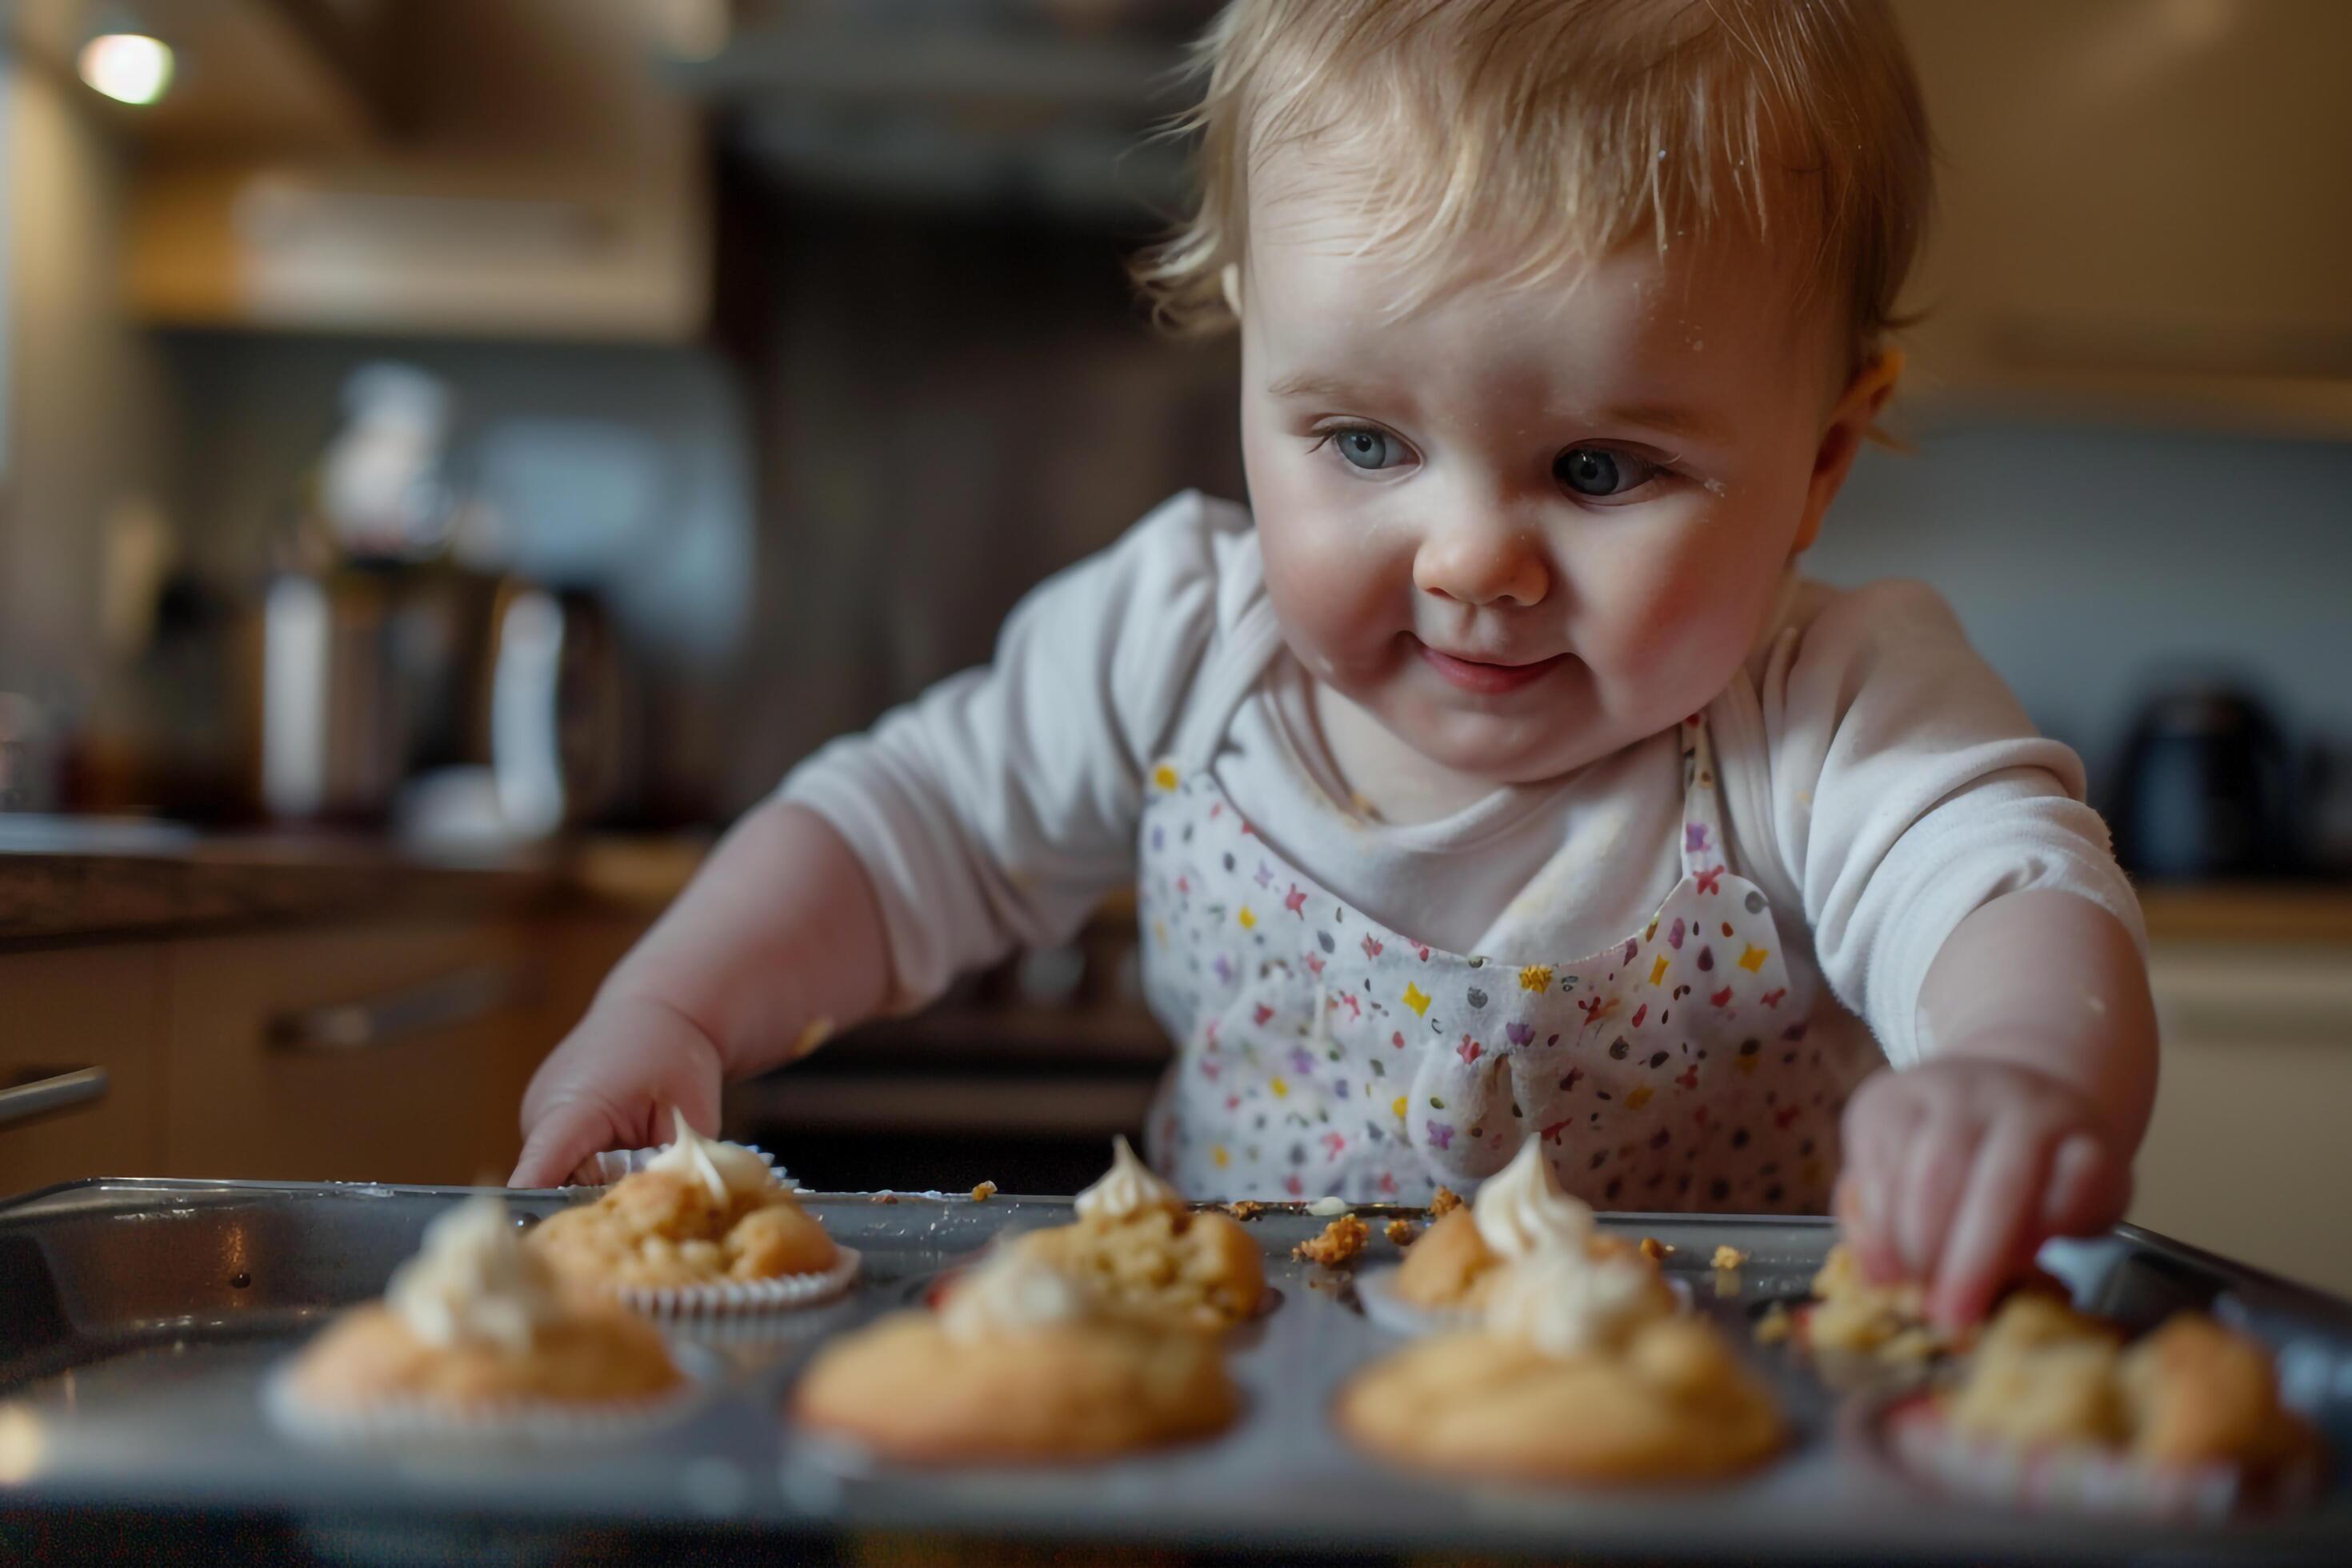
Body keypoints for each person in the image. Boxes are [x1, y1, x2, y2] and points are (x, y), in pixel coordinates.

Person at [514, 0, 2157, 1330]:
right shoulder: (1176, 642)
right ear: (1251, 352)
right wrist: (674, 1003)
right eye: (1366, 438)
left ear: (1821, 460)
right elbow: (897, 831)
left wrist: (2016, 1069)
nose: (1468, 559)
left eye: (1599, 469)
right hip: (1241, 1430)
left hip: (1704, 1454)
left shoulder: (1827, 707)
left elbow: (2004, 890)